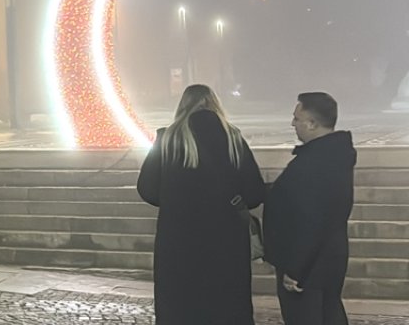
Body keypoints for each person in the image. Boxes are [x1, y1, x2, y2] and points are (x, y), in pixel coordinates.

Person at [137, 84, 266, 325]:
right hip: (227, 243)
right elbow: (255, 192)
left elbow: (147, 188)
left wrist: (174, 201)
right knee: (227, 306)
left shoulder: (167, 139)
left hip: (178, 242)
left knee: (180, 306)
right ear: (215, 104)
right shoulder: (233, 138)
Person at [263, 92, 357, 325]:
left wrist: (296, 268)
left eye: (297, 118)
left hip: (307, 267)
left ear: (312, 123)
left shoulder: (313, 163)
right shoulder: (334, 156)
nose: (292, 123)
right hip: (328, 258)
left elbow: (311, 220)